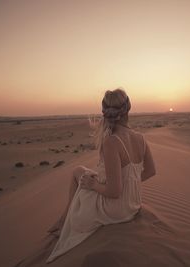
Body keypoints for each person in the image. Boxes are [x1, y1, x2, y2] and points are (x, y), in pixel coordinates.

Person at [45, 88, 156, 263]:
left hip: (117, 210)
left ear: (105, 112)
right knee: (81, 171)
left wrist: (93, 186)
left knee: (79, 175)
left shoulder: (112, 142)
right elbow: (151, 171)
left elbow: (114, 191)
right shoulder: (141, 138)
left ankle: (65, 221)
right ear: (128, 109)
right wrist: (129, 181)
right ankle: (63, 219)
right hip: (133, 204)